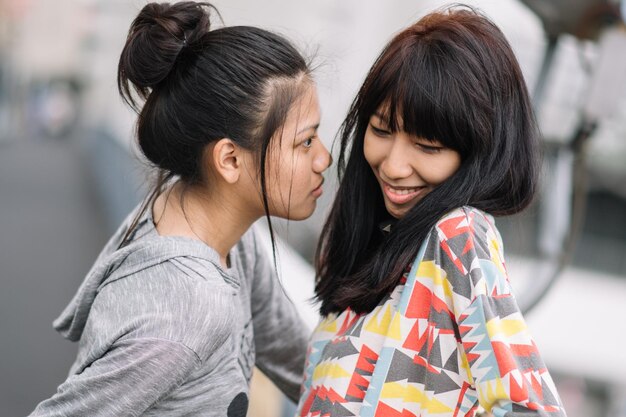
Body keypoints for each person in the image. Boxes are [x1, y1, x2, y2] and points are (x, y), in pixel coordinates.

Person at [29, 2, 331, 416]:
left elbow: (303, 365)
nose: (324, 159)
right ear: (229, 160)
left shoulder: (218, 230)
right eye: (306, 142)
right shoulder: (187, 309)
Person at [297, 6, 567, 417]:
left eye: (427, 146)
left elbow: (528, 406)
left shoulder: (457, 236)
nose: (393, 166)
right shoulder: (373, 243)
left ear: (478, 153)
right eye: (382, 130)